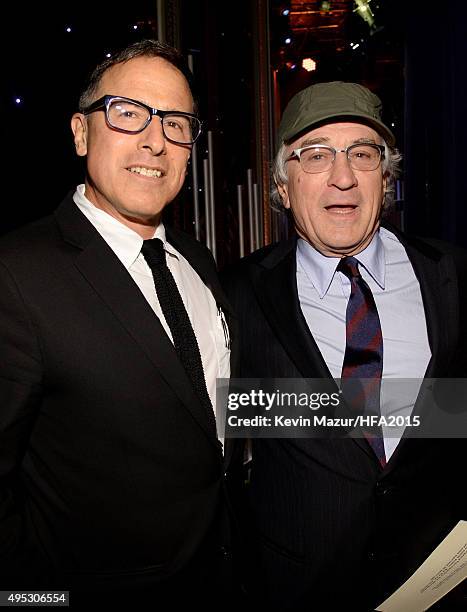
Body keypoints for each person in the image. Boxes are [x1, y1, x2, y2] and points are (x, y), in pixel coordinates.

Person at [0, 39, 236, 608]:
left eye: (176, 123)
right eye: (128, 113)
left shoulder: (197, 261)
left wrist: (433, 414)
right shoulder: (16, 273)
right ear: (81, 132)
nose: (155, 139)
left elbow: (214, 410)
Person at [222, 82, 467, 610]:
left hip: (441, 585)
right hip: (299, 590)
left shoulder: (455, 276)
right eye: (315, 156)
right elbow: (223, 440)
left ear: (386, 175)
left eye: (362, 154)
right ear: (283, 187)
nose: (343, 176)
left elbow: (454, 416)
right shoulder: (235, 294)